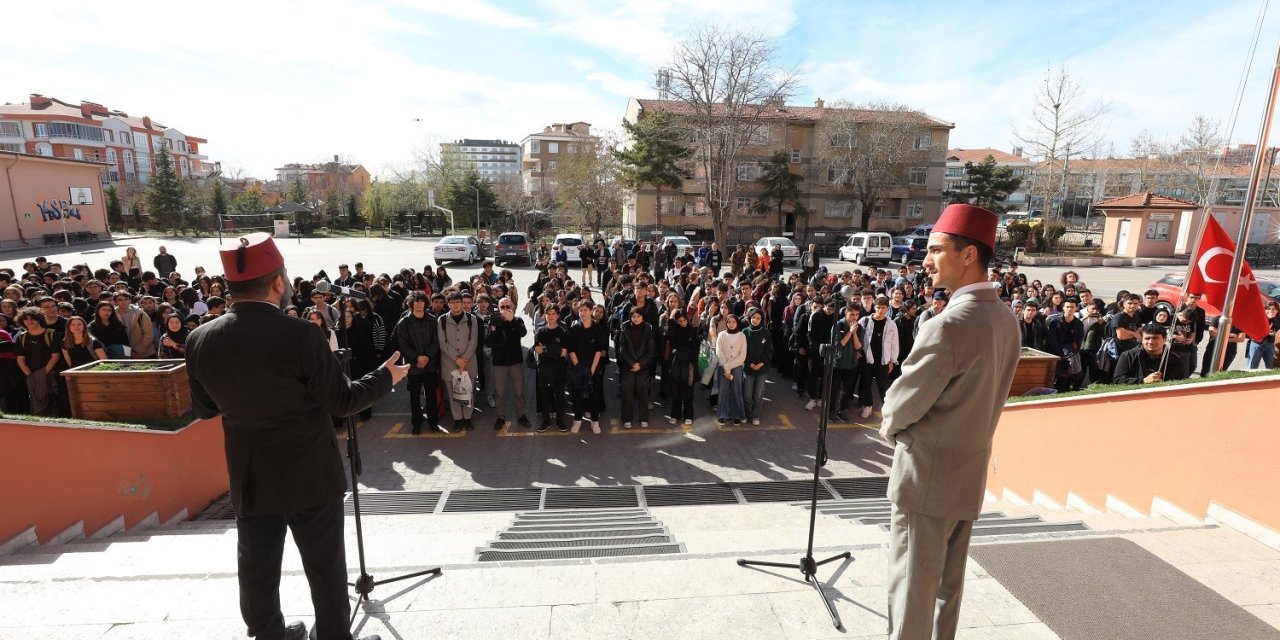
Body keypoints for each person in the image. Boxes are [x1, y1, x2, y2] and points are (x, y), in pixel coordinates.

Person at [185, 233, 406, 640]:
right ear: (278, 282)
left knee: (256, 565)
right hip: (309, 475)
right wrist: (384, 378)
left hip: (250, 476)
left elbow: (205, 410)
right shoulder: (301, 334)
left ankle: (268, 633)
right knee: (324, 568)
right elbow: (341, 401)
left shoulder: (199, 339)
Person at [878, 204, 1021, 640]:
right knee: (946, 592)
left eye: (937, 250)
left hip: (926, 478)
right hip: (967, 474)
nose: (925, 260)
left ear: (968, 255)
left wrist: (892, 429)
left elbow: (900, 405)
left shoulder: (948, 325)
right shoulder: (1006, 318)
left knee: (911, 595)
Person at [394, 291, 442, 434]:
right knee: (414, 396)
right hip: (413, 365)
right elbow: (403, 344)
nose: (419, 304)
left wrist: (427, 356)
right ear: (411, 304)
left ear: (426, 303)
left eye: (422, 301)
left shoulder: (432, 320)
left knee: (431, 395)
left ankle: (433, 422)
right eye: (416, 302)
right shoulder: (404, 322)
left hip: (430, 365)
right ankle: (417, 422)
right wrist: (417, 358)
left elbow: (436, 341)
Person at [438, 292, 479, 432]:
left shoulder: (471, 318)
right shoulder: (442, 320)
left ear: (462, 303)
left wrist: (464, 359)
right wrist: (456, 359)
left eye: (458, 302)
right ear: (448, 304)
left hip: (469, 363)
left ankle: (467, 419)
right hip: (450, 363)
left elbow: (474, 340)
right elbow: (442, 343)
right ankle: (457, 420)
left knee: (468, 391)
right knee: (452, 393)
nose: (455, 305)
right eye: (452, 302)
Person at [487, 297, 529, 430]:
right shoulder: (493, 321)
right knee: (499, 393)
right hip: (499, 363)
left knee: (519, 391)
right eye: (502, 307)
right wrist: (493, 329)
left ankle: (521, 416)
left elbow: (523, 333)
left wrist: (511, 321)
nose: (505, 310)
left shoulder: (517, 320)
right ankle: (500, 417)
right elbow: (488, 342)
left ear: (512, 308)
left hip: (515, 362)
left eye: (507, 307)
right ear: (498, 309)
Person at [566, 300, 606, 434]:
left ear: (590, 311)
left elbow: (598, 351)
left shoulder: (597, 328)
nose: (582, 313)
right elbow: (571, 349)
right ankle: (577, 420)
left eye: (585, 310)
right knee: (577, 395)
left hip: (593, 367)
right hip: (578, 368)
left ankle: (595, 422)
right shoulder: (574, 328)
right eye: (580, 310)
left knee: (594, 395)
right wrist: (578, 368)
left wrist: (592, 370)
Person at [858, 296, 899, 419]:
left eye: (883, 308)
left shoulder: (891, 324)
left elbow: (895, 343)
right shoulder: (864, 321)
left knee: (884, 386)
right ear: (874, 307)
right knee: (865, 384)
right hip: (867, 359)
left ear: (887, 309)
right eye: (878, 307)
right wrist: (857, 351)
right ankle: (868, 405)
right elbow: (857, 337)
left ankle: (887, 409)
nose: (880, 310)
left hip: (883, 360)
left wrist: (892, 360)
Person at [15, 307, 61, 416]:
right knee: (37, 404)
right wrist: (30, 374)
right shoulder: (22, 337)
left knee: (53, 401)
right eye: (26, 319)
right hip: (32, 375)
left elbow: (55, 356)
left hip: (51, 374)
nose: (29, 322)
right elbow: (20, 359)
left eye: (33, 319)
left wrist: (43, 373)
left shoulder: (51, 334)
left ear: (39, 319)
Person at [617, 306, 655, 429]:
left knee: (643, 393)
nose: (636, 318)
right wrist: (632, 364)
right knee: (627, 393)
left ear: (643, 317)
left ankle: (644, 418)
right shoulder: (624, 328)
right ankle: (626, 418)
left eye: (638, 316)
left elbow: (651, 351)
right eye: (633, 316)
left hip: (643, 367)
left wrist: (640, 364)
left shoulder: (648, 329)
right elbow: (622, 350)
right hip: (628, 366)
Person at [533, 305, 569, 432]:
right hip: (544, 369)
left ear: (558, 315)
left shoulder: (563, 332)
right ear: (545, 315)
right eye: (549, 314)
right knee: (545, 396)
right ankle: (546, 421)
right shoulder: (540, 331)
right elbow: (537, 349)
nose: (551, 316)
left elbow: (564, 353)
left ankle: (560, 421)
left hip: (559, 369)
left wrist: (546, 349)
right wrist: (554, 350)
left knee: (559, 396)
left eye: (554, 313)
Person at [1113, 323, 1188, 384]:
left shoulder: (1175, 360)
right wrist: (1143, 381)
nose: (1151, 342)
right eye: (1147, 338)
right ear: (1142, 340)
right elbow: (1118, 380)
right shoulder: (1128, 355)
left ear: (1164, 339)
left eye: (1155, 338)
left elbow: (1181, 383)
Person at [830, 304, 863, 423]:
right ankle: (831, 411)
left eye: (857, 314)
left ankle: (841, 410)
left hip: (851, 363)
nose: (854, 317)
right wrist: (850, 332)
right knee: (833, 389)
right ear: (846, 313)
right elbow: (839, 345)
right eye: (852, 314)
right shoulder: (838, 325)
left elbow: (858, 347)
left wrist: (854, 333)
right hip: (837, 363)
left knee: (846, 390)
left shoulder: (859, 328)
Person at [666, 309, 699, 425]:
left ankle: (688, 415)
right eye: (679, 321)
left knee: (689, 389)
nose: (682, 323)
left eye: (684, 320)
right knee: (676, 389)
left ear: (687, 318)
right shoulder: (674, 329)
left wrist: (692, 364)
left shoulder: (693, 330)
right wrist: (671, 321)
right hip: (677, 362)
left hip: (689, 363)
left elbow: (696, 349)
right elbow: (670, 339)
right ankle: (675, 415)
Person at [714, 313, 747, 425]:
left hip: (736, 367)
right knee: (723, 391)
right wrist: (725, 368)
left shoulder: (742, 335)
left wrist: (728, 367)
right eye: (729, 322)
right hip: (722, 367)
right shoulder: (721, 335)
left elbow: (743, 355)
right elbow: (719, 352)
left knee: (736, 391)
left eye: (734, 322)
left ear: (737, 323)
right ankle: (722, 414)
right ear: (726, 323)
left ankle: (736, 415)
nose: (731, 324)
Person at [742, 309, 772, 425]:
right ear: (749, 318)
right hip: (748, 368)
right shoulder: (745, 332)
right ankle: (746, 413)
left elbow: (769, 350)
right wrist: (749, 363)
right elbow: (742, 351)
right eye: (753, 317)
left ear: (762, 320)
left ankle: (755, 415)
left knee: (758, 394)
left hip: (762, 368)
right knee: (747, 394)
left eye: (758, 318)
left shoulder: (766, 332)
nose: (755, 320)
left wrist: (761, 363)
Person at [1247, 301, 1280, 369]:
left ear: (1277, 311)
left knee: (1270, 367)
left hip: (1270, 344)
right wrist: (1267, 319)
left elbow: (1277, 330)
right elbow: (1253, 330)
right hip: (1257, 344)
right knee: (1252, 366)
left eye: (1273, 309)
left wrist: (1275, 333)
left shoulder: (1277, 319)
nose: (1271, 311)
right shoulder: (1259, 317)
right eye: (1268, 309)